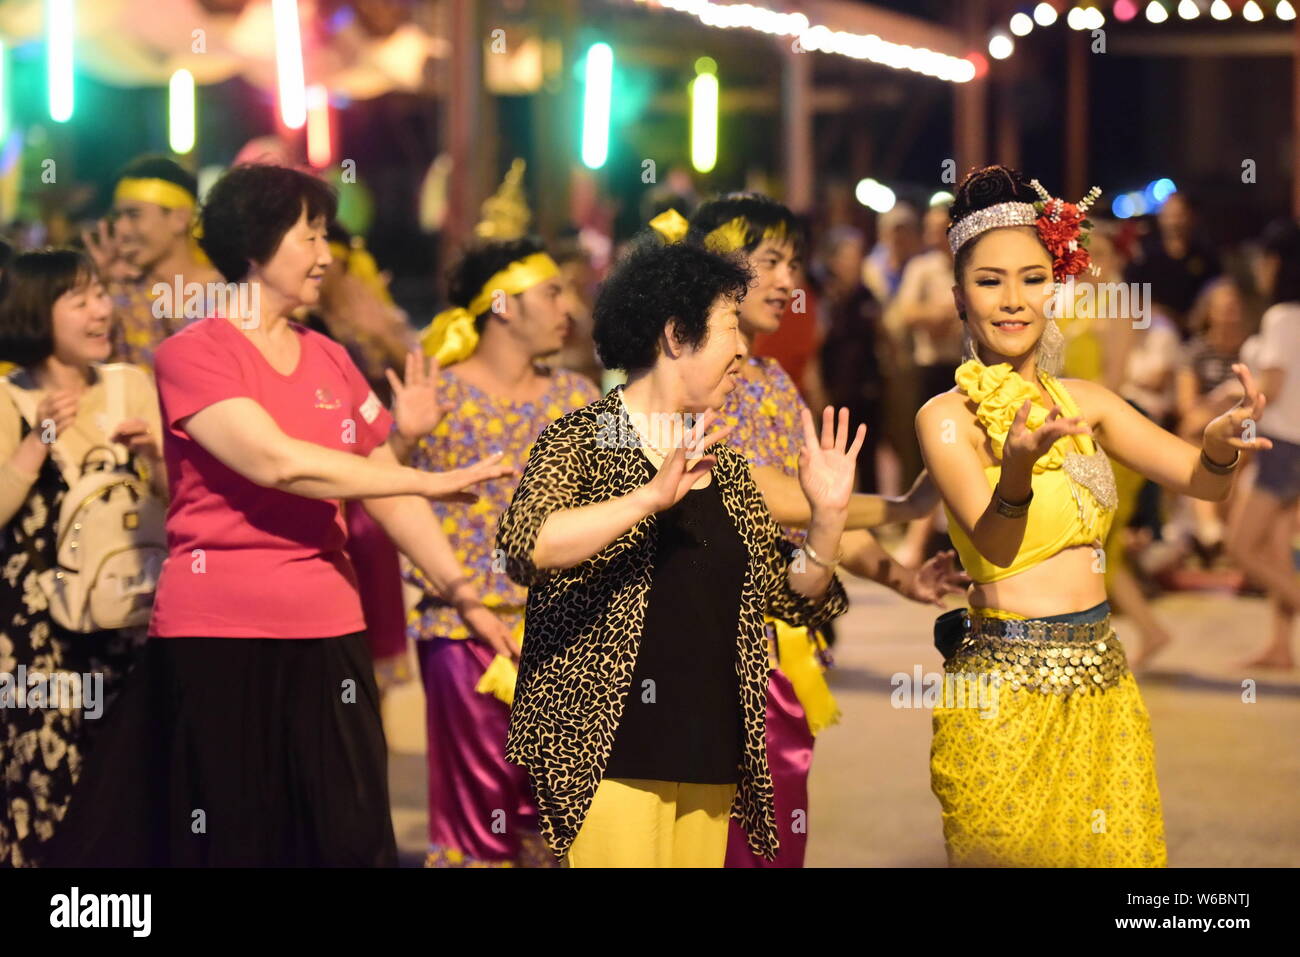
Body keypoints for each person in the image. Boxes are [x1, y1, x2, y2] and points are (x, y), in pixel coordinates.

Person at [47, 163, 511, 867]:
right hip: (218, 634)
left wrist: (463, 592)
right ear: (257, 246)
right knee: (232, 840)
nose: (328, 255)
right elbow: (277, 463)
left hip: (329, 629)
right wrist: (434, 475)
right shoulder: (191, 354)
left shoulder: (330, 357)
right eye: (311, 236)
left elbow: (383, 482)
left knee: (346, 835)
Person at [916, 165, 1269, 867]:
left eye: (1031, 277)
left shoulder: (1090, 400)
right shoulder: (945, 418)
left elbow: (1204, 484)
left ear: (1056, 285)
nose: (1013, 300)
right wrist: (1015, 468)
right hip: (1001, 700)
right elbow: (994, 542)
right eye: (989, 281)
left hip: (1104, 692)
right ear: (959, 296)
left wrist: (1215, 445)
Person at [497, 236, 857, 867]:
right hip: (608, 751)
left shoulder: (724, 463)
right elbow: (527, 545)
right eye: (729, 330)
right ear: (674, 335)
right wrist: (647, 498)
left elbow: (794, 596)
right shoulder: (584, 437)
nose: (744, 349)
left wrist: (826, 522)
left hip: (711, 747)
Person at [661, 196, 962, 868]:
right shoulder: (676, 374)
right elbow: (776, 499)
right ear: (713, 267)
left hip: (780, 649)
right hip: (698, 656)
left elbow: (823, 514)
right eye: (770, 262)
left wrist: (899, 573)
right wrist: (906, 509)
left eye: (794, 264)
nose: (790, 281)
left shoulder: (769, 379)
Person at [397, 236, 600, 867]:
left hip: (569, 632)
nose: (568, 306)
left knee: (564, 818)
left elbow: (635, 486)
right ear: (504, 305)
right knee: (478, 822)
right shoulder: (438, 395)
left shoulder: (580, 396)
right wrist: (403, 439)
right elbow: (376, 493)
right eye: (552, 292)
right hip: (464, 630)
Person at [0, 248, 166, 866]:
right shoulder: (7, 398)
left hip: (132, 624)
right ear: (37, 314)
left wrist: (153, 456)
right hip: (40, 641)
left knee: (128, 784)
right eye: (81, 300)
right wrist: (35, 445)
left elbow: (178, 501)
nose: (102, 311)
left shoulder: (131, 384)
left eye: (101, 295)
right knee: (49, 786)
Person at [1226, 219, 1300, 669]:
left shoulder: (1281, 317)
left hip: (1284, 444)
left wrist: (1230, 417)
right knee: (1275, 548)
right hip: (1295, 443)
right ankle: (1280, 647)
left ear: (1275, 263)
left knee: (1240, 546)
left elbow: (1270, 383)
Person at [82, 155, 223, 376]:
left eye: (133, 215)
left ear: (180, 218)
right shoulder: (120, 294)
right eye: (118, 217)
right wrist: (97, 285)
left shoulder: (229, 297)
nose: (121, 229)